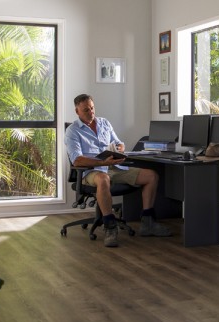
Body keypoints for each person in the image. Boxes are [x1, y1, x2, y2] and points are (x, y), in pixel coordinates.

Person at [65, 93, 171, 247]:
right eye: (86, 110)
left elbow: (118, 142)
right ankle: (110, 226)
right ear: (77, 112)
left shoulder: (104, 123)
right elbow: (77, 159)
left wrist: (120, 148)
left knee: (151, 176)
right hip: (90, 171)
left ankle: (148, 222)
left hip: (113, 167)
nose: (91, 113)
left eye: (92, 108)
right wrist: (101, 161)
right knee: (103, 178)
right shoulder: (73, 131)